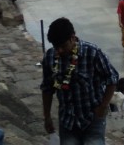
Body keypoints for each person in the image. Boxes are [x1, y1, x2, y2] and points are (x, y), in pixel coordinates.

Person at [41, 17, 119, 145]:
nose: (59, 50)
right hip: (67, 120)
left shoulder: (92, 53)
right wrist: (47, 116)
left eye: (63, 46)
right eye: (56, 47)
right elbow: (47, 88)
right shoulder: (50, 57)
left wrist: (103, 106)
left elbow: (112, 78)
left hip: (92, 118)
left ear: (72, 38)